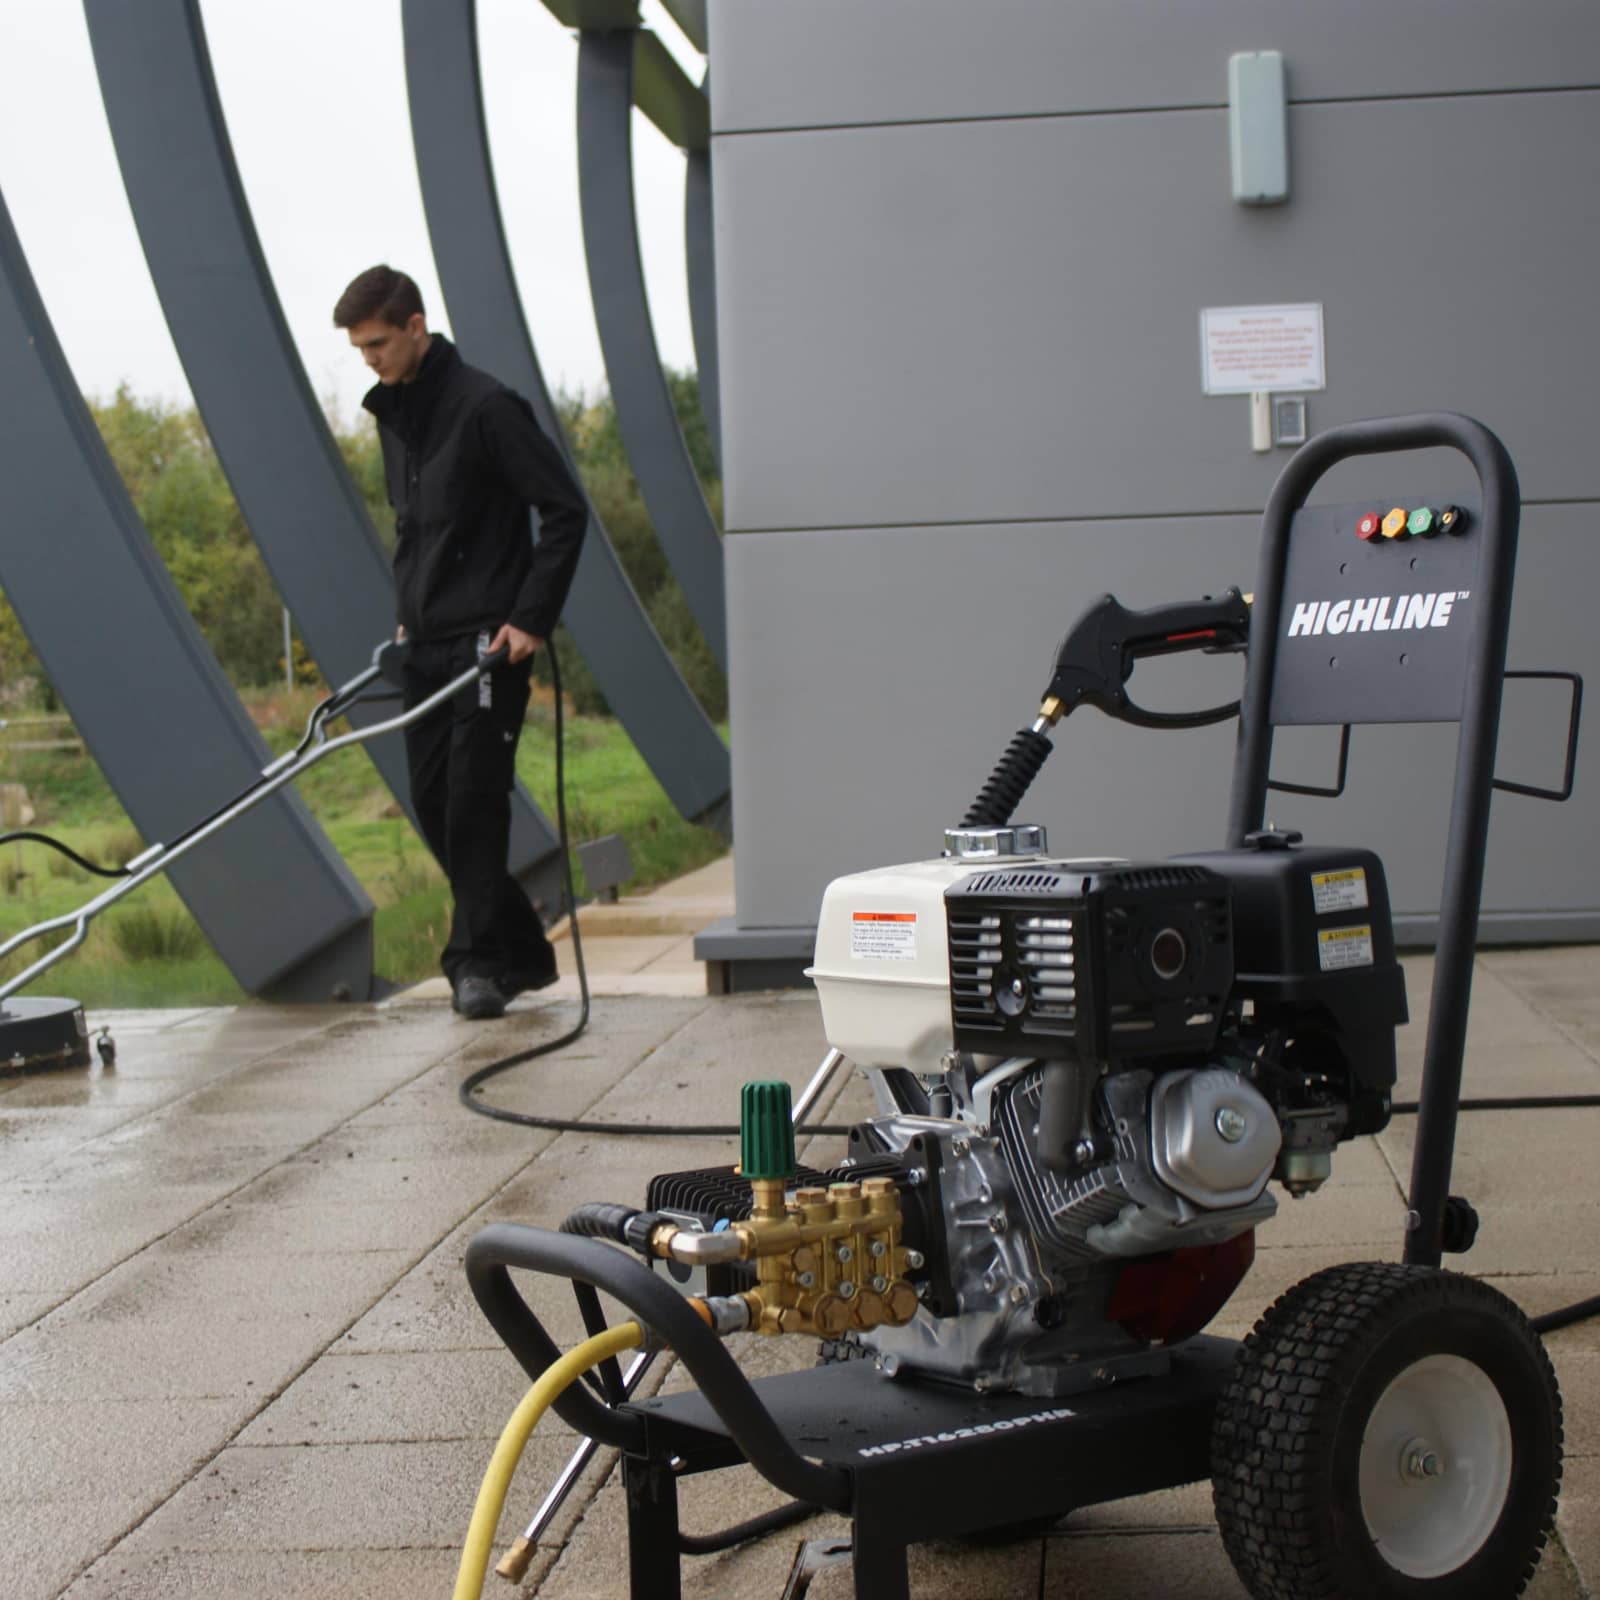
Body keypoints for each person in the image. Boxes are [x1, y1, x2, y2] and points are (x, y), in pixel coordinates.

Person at [334, 265, 586, 1020]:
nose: (369, 360)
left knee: (474, 801)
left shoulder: (487, 409)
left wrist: (530, 618)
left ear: (416, 326)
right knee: (434, 801)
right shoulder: (397, 416)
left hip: (488, 646)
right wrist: (408, 612)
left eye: (378, 344)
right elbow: (418, 530)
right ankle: (523, 952)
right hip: (425, 645)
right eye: (359, 349)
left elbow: (564, 510)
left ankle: (475, 965)